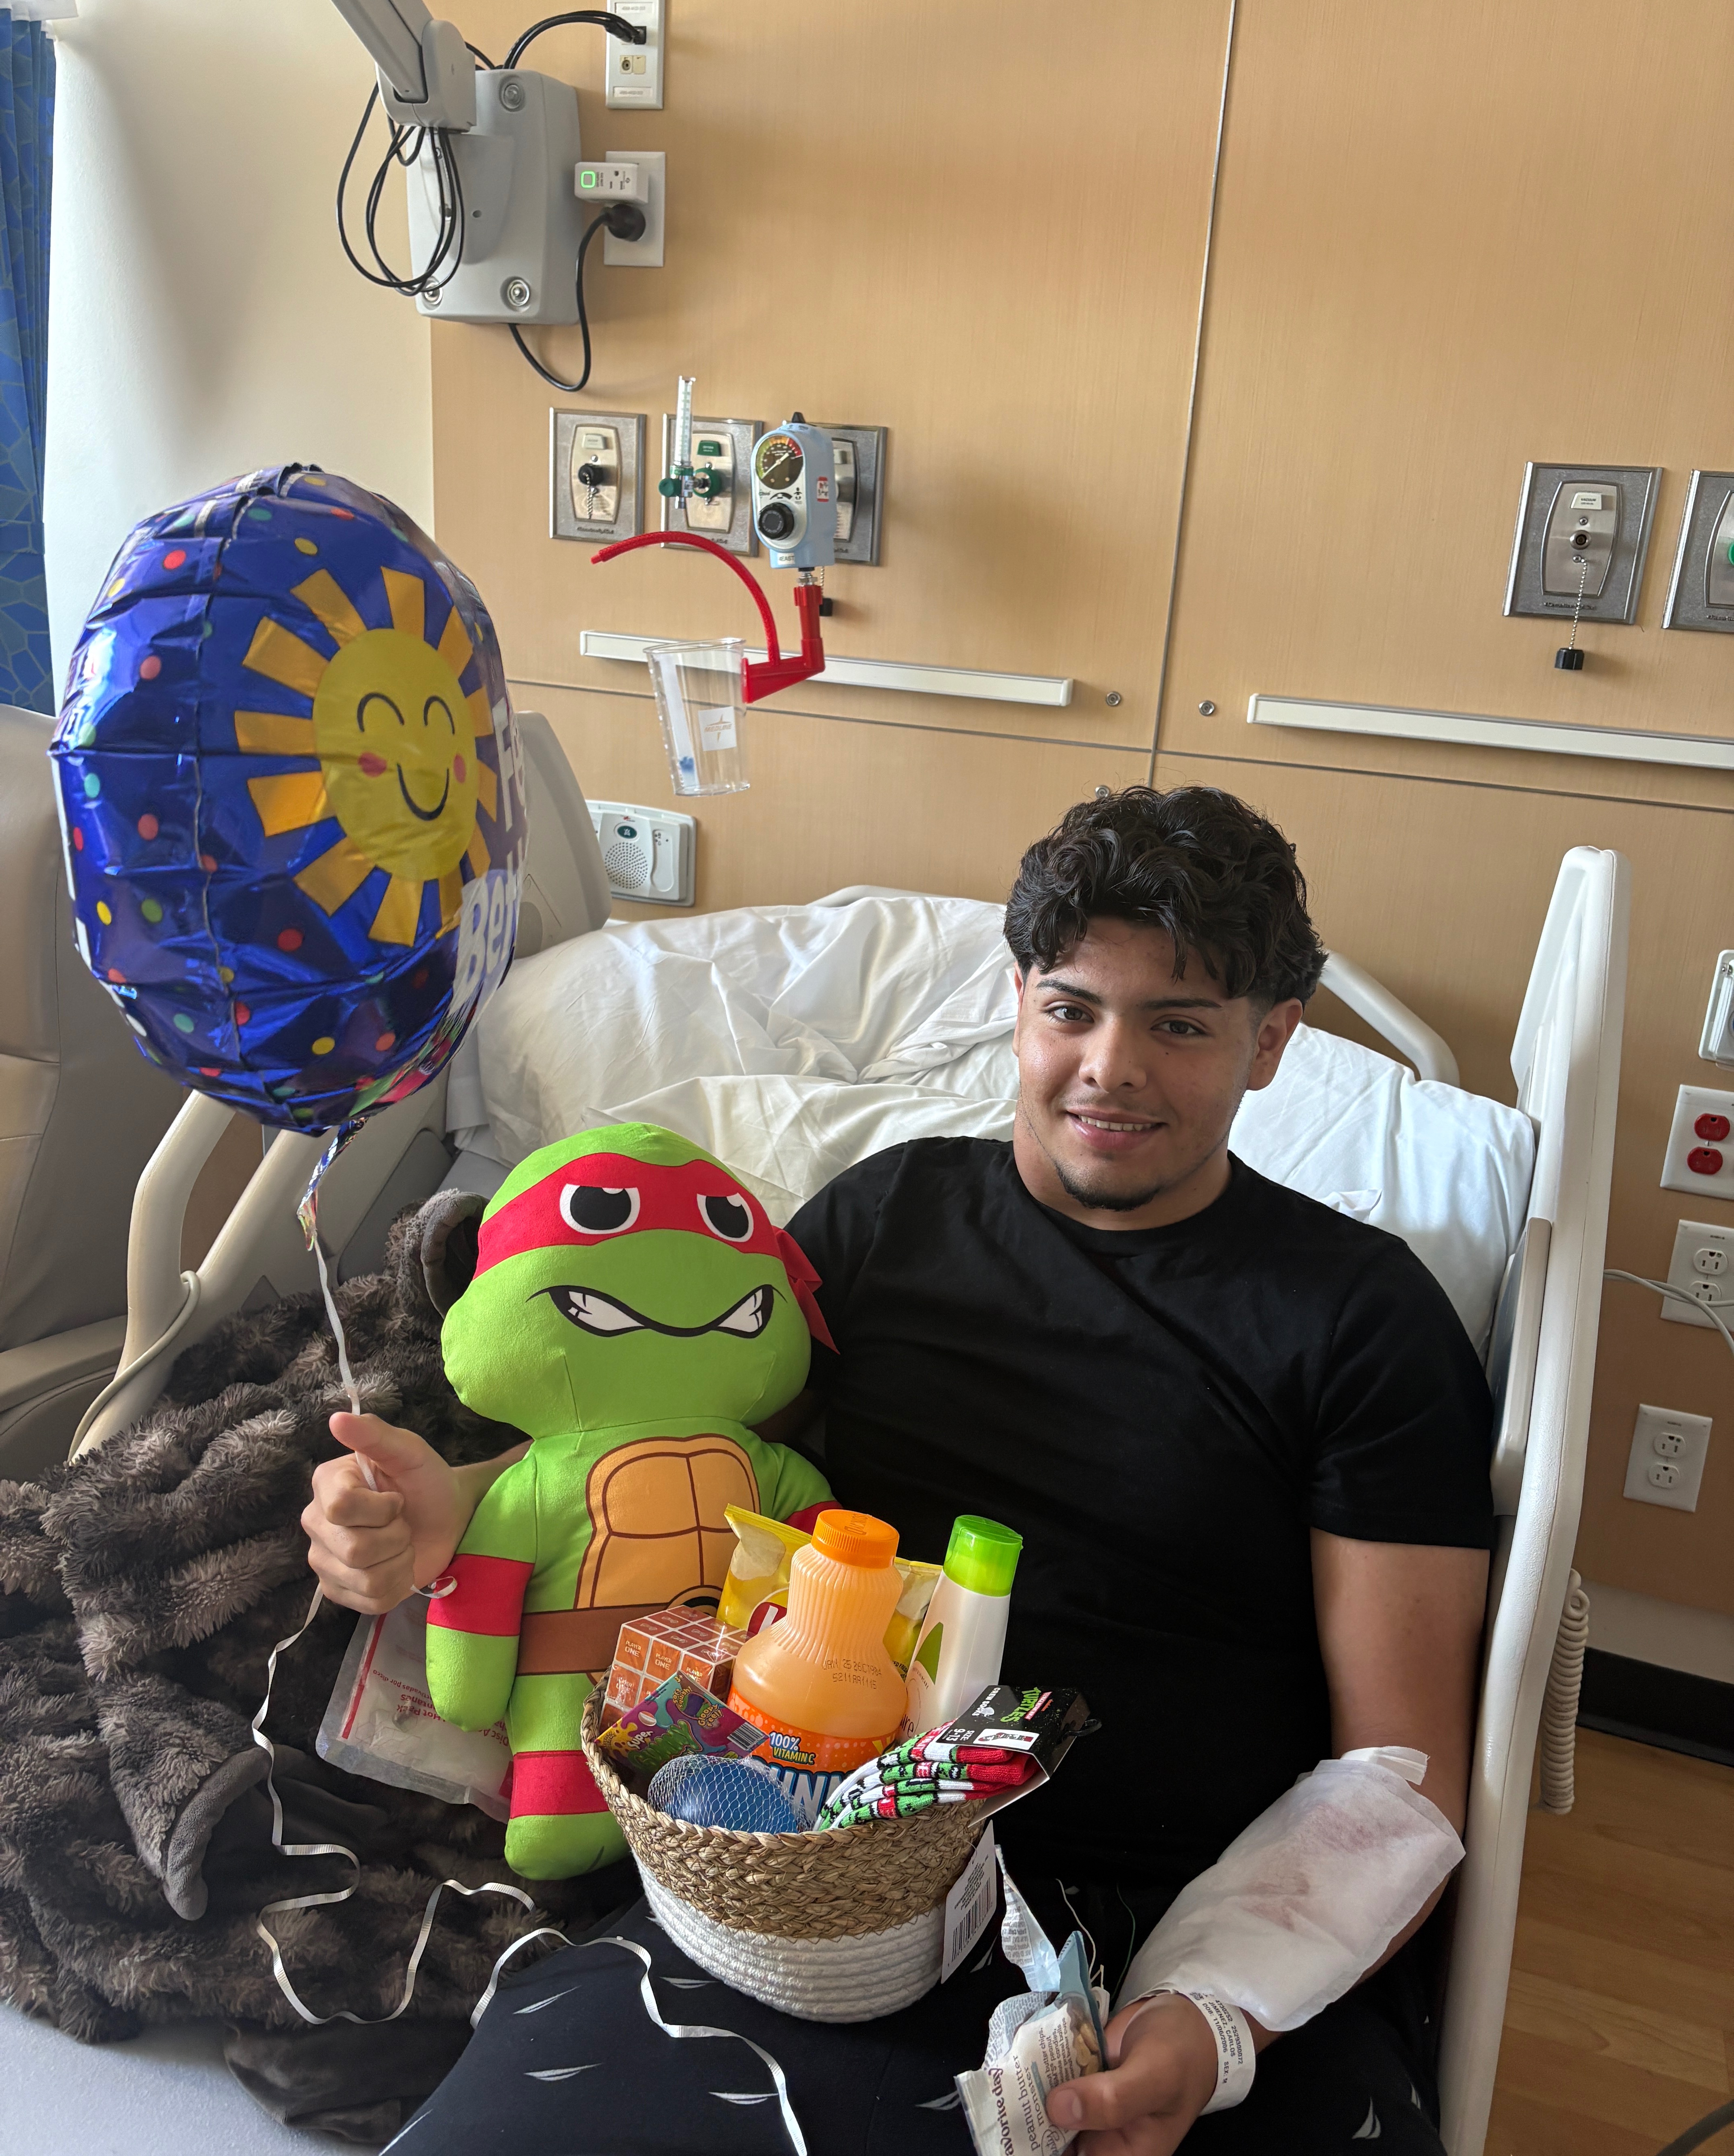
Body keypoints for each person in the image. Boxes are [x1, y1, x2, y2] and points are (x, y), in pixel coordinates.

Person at [303, 786, 1493, 2154]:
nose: (1108, 1068)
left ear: (1269, 1042)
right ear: (1018, 1002)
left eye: (1177, 1026)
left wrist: (1215, 2016)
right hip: (803, 1859)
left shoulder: (1359, 1319)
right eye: (1071, 1009)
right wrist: (446, 1512)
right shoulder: (887, 1220)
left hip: (1184, 1914)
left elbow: (1398, 1772)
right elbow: (668, 1442)